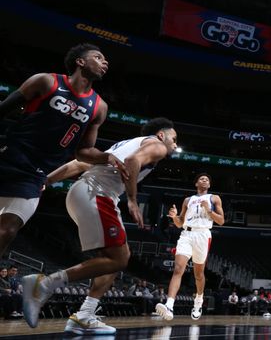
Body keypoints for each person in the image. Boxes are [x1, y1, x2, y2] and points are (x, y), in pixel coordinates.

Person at [22, 118, 178, 334]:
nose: (174, 144)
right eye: (174, 139)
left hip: (81, 193)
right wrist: (132, 199)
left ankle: (85, 314)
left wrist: (46, 181)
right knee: (119, 258)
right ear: (162, 135)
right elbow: (133, 162)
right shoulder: (157, 146)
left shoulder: (125, 144)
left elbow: (79, 164)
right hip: (97, 193)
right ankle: (45, 284)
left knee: (118, 257)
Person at [0, 44, 119, 267]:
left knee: (8, 230)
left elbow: (83, 151)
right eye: (98, 57)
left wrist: (107, 157)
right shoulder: (46, 81)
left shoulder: (99, 107)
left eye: (105, 60)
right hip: (8, 158)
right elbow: (4, 109)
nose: (105, 63)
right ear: (80, 62)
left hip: (33, 176)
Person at [155, 173, 224, 321]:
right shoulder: (188, 200)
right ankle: (169, 305)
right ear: (196, 184)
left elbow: (221, 221)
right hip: (186, 234)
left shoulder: (214, 198)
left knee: (198, 274)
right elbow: (180, 223)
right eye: (201, 179)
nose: (204, 180)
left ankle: (198, 301)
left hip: (203, 235)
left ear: (209, 185)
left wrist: (209, 210)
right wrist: (174, 217)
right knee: (178, 269)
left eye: (207, 179)